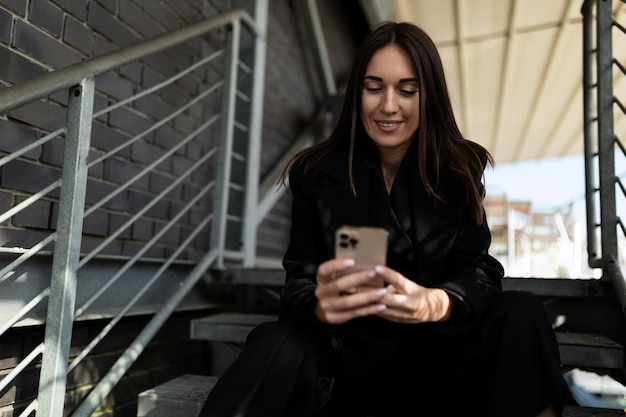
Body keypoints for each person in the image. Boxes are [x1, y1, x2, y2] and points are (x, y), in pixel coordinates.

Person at [199, 21, 571, 417]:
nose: (388, 105)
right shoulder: (315, 173)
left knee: (520, 311)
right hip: (347, 366)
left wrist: (436, 303)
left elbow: (478, 269)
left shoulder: (460, 168)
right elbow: (298, 281)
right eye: (373, 87)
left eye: (407, 90)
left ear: (429, 96)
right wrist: (319, 305)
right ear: (357, 93)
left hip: (439, 363)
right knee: (280, 340)